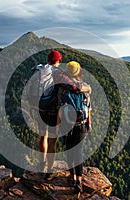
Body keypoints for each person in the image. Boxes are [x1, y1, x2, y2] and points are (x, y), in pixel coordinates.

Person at [38, 50, 91, 181]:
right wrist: (87, 88)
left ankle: (41, 163)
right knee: (52, 142)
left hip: (40, 109)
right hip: (52, 112)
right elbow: (74, 86)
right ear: (59, 61)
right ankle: (49, 170)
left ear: (48, 60)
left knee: (42, 136)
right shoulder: (59, 74)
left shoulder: (39, 69)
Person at [62, 61, 91, 193]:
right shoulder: (84, 87)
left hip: (67, 125)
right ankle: (79, 180)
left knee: (69, 150)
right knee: (78, 152)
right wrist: (88, 123)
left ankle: (72, 176)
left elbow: (61, 109)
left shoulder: (64, 88)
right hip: (82, 124)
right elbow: (88, 107)